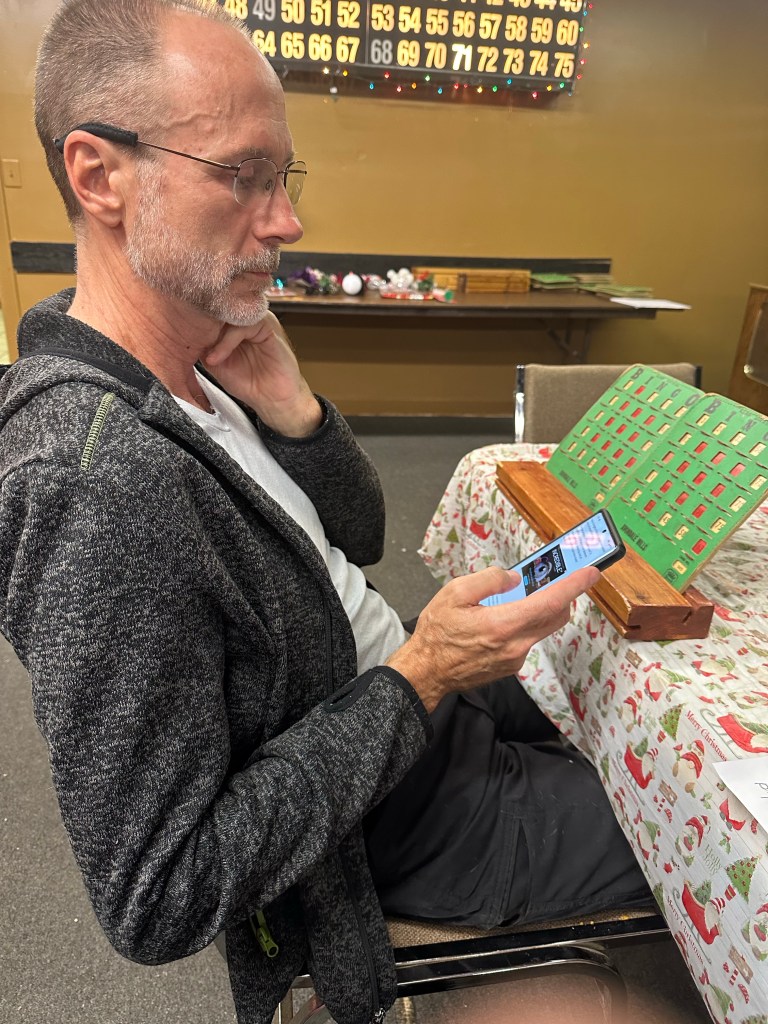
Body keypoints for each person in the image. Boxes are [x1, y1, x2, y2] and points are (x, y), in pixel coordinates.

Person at [0, 2, 650, 1023]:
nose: (287, 221)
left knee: (648, 700)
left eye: (283, 178)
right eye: (239, 175)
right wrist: (421, 675)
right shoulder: (94, 482)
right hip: (401, 817)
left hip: (434, 718)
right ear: (100, 175)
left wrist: (295, 412)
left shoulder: (194, 360)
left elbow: (361, 537)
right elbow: (159, 893)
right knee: (721, 826)